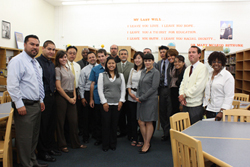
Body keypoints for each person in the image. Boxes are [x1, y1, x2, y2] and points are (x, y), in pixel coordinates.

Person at [7, 34, 48, 167]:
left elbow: (38, 83)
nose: (35, 47)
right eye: (32, 44)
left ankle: (33, 161)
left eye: (37, 45)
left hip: (36, 104)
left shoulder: (35, 62)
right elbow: (13, 85)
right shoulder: (17, 61)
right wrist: (19, 104)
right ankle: (26, 164)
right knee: (25, 139)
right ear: (24, 45)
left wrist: (41, 99)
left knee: (34, 137)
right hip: (25, 106)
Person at [55, 50, 85, 153]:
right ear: (58, 59)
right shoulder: (57, 69)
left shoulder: (68, 69)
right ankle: (62, 145)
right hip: (62, 97)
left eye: (64, 57)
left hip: (72, 95)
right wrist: (68, 98)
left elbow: (73, 83)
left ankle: (75, 143)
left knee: (73, 121)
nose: (64, 59)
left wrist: (75, 96)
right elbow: (58, 87)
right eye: (61, 57)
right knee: (61, 122)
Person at [36, 40, 61, 162]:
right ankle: (42, 152)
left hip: (52, 97)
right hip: (43, 97)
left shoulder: (51, 63)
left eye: (53, 49)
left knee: (51, 124)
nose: (51, 51)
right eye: (49, 49)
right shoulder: (37, 63)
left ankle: (50, 147)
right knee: (43, 126)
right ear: (43, 49)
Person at [98, 57, 126, 152]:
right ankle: (105, 145)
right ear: (106, 65)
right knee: (106, 125)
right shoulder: (102, 75)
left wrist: (121, 101)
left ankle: (113, 144)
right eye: (109, 63)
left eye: (113, 63)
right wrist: (104, 102)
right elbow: (100, 90)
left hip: (117, 104)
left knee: (114, 125)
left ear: (115, 65)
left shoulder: (120, 75)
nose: (111, 65)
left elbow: (123, 89)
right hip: (106, 104)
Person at [136, 53, 160, 154]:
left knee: (148, 121)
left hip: (150, 100)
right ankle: (146, 141)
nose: (147, 62)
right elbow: (139, 85)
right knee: (141, 122)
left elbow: (154, 88)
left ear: (153, 61)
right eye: (146, 61)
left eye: (149, 60)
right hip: (141, 100)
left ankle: (147, 143)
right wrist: (138, 96)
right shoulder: (143, 72)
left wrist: (142, 97)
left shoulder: (156, 72)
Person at [179, 46, 209, 124]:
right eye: (189, 52)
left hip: (195, 106)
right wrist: (181, 95)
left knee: (194, 130)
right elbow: (182, 83)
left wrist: (184, 95)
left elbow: (199, 87)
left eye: (193, 52)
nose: (191, 54)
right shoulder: (188, 69)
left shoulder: (203, 68)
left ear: (199, 54)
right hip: (185, 104)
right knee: (185, 129)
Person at [203, 51, 234, 120]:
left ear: (222, 63)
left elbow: (229, 96)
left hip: (221, 112)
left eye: (219, 62)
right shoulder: (209, 74)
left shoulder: (227, 76)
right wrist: (205, 106)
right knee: (209, 130)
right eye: (214, 61)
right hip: (210, 109)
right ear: (211, 63)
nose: (216, 64)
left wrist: (222, 111)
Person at [89, 49, 109, 146]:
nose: (101, 58)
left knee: (107, 120)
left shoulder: (111, 67)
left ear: (106, 56)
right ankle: (99, 138)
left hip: (109, 97)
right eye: (99, 56)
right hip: (97, 97)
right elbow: (92, 84)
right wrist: (91, 99)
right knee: (98, 120)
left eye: (102, 56)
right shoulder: (95, 69)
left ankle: (107, 138)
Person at [78, 52, 98, 143]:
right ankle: (85, 136)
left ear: (96, 57)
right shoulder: (84, 70)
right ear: (88, 59)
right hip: (87, 93)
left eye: (93, 57)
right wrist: (82, 97)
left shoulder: (101, 68)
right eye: (90, 58)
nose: (92, 59)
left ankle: (96, 134)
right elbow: (81, 85)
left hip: (97, 93)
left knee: (96, 116)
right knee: (86, 116)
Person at [127, 52, 145, 147]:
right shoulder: (132, 70)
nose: (137, 60)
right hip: (131, 96)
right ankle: (134, 137)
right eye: (135, 58)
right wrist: (130, 93)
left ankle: (142, 138)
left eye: (139, 58)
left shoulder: (146, 70)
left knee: (141, 119)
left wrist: (139, 96)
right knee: (132, 118)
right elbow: (129, 83)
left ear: (142, 59)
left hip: (141, 97)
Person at [66, 46, 83, 140]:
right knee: (67, 116)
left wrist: (79, 93)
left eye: (74, 53)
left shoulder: (77, 66)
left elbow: (79, 81)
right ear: (66, 53)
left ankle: (74, 135)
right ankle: (68, 136)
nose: (72, 55)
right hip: (66, 92)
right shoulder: (63, 65)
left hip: (76, 92)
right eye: (70, 53)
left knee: (76, 115)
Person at [117, 49, 134, 138]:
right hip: (118, 94)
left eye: (125, 54)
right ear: (119, 56)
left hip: (129, 94)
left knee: (130, 114)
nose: (123, 55)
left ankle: (130, 132)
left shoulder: (132, 65)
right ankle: (122, 131)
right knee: (120, 114)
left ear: (127, 56)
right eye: (121, 54)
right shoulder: (115, 65)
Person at [156, 45, 172, 141]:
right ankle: (165, 133)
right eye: (161, 52)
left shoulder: (172, 62)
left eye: (164, 52)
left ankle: (170, 132)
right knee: (162, 111)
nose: (162, 53)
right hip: (161, 89)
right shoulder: (158, 63)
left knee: (169, 111)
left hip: (170, 89)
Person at [166, 49, 179, 114]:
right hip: (172, 89)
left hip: (178, 90)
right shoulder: (170, 65)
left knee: (177, 110)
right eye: (168, 56)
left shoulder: (180, 64)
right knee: (172, 109)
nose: (170, 58)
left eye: (172, 55)